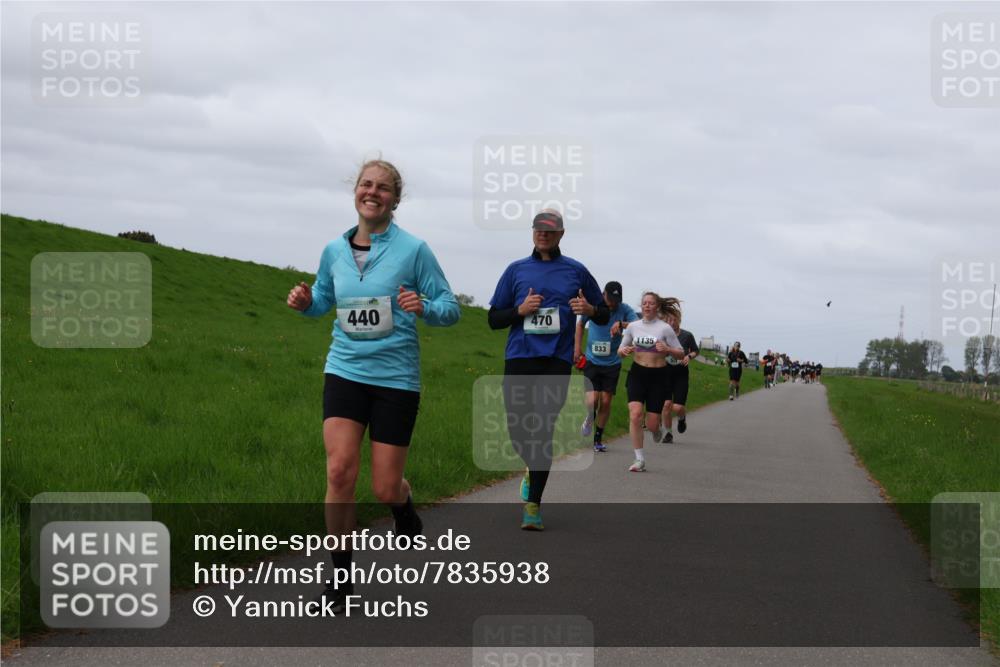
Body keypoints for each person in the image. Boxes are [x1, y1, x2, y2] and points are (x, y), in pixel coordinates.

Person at [287, 159, 460, 610]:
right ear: (355, 192)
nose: (373, 192)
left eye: (383, 188)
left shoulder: (414, 250)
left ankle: (402, 506)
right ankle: (340, 580)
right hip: (344, 370)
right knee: (340, 470)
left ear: (395, 199)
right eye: (366, 184)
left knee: (384, 486)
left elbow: (450, 307)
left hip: (395, 380)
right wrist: (306, 302)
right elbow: (325, 297)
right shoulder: (333, 249)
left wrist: (424, 306)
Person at [489, 209, 608, 530]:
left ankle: (533, 506)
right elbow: (493, 319)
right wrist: (520, 310)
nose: (543, 233)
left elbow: (603, 313)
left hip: (556, 360)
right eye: (539, 228)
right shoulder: (516, 270)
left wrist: (590, 308)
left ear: (561, 234)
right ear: (533, 231)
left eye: (550, 229)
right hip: (519, 358)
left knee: (542, 430)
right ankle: (532, 468)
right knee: (518, 430)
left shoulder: (576, 271)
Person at [618, 293, 685, 471]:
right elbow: (620, 349)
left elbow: (681, 353)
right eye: (644, 303)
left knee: (653, 423)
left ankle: (656, 430)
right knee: (635, 414)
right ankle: (639, 459)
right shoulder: (633, 326)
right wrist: (624, 351)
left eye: (651, 303)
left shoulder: (665, 329)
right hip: (638, 373)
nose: (647, 306)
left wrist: (668, 349)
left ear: (657, 307)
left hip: (658, 376)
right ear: (641, 306)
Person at [575, 281, 638, 452]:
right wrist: (577, 349)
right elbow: (580, 324)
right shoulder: (594, 305)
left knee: (606, 401)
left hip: (612, 363)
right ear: (603, 295)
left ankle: (597, 439)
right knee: (593, 399)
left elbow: (638, 325)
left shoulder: (624, 309)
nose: (612, 303)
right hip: (592, 360)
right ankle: (589, 418)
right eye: (609, 298)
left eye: (615, 299)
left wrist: (621, 324)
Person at [660, 310, 699, 442]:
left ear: (679, 320)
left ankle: (682, 419)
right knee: (666, 404)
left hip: (681, 374)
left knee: (678, 407)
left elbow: (695, 351)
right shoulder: (663, 336)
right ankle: (668, 434)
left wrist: (689, 356)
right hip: (666, 373)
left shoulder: (687, 335)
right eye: (669, 320)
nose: (671, 322)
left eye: (674, 320)